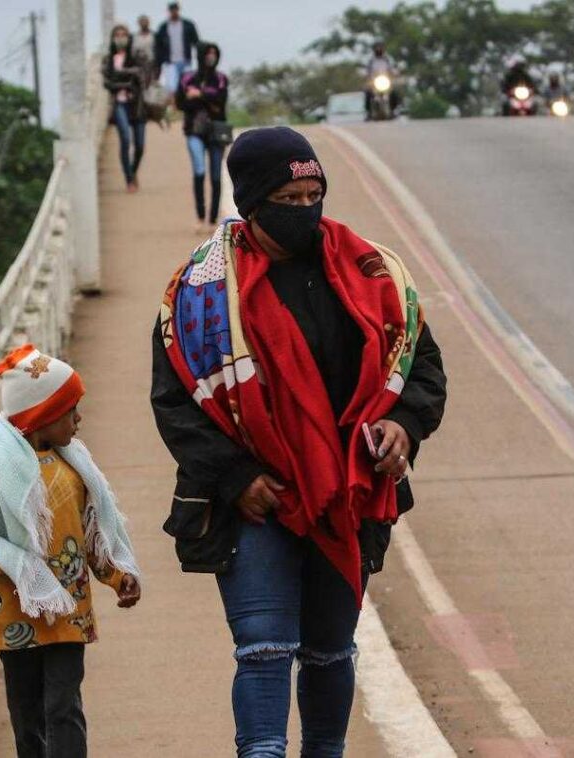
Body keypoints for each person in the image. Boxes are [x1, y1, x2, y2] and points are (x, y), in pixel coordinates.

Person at [150, 127, 447, 757]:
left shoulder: (374, 274)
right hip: (256, 500)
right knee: (262, 649)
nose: (304, 210)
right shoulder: (199, 294)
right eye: (287, 198)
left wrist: (406, 426)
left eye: (314, 194)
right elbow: (176, 404)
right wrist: (236, 479)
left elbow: (420, 366)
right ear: (252, 202)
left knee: (331, 653)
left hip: (348, 496)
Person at [0, 344, 141, 757]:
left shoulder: (75, 467)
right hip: (16, 613)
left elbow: (94, 533)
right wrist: (14, 566)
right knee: (27, 716)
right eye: (70, 410)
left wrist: (117, 575)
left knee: (64, 707)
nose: (78, 419)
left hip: (70, 613)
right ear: (41, 415)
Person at [176, 42, 228, 233]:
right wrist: (206, 99)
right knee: (199, 172)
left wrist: (199, 95)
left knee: (216, 176)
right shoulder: (187, 77)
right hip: (193, 130)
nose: (211, 57)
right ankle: (199, 216)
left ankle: (213, 219)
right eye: (208, 53)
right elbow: (181, 103)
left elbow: (221, 102)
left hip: (216, 131)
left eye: (214, 53)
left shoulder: (221, 78)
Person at [103, 25, 146, 192]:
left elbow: (141, 77)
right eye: (117, 35)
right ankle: (128, 180)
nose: (121, 38)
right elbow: (107, 82)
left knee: (140, 146)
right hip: (119, 103)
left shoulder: (136, 56)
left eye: (123, 35)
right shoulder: (109, 60)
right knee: (125, 139)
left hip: (137, 105)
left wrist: (121, 78)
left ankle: (132, 171)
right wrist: (127, 81)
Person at [155, 2, 199, 96]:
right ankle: (173, 108)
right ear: (169, 11)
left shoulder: (188, 25)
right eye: (172, 10)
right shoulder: (163, 27)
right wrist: (158, 65)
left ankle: (185, 107)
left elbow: (196, 42)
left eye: (175, 9)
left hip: (185, 61)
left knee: (187, 85)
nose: (174, 12)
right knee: (171, 87)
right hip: (170, 62)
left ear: (178, 10)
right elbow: (159, 47)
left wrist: (199, 56)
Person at [363, 41, 401, 118]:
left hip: (385, 81)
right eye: (377, 48)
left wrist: (395, 73)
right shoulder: (371, 61)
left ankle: (393, 110)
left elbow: (392, 69)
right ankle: (368, 112)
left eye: (380, 48)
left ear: (383, 49)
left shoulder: (387, 60)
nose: (379, 49)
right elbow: (367, 72)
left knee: (394, 93)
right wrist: (367, 77)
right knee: (367, 93)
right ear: (374, 50)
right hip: (374, 83)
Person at [133, 14, 157, 84]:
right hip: (138, 64)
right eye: (142, 21)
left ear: (149, 22)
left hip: (151, 63)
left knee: (150, 83)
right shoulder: (134, 36)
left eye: (145, 21)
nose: (143, 23)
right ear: (138, 23)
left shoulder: (154, 36)